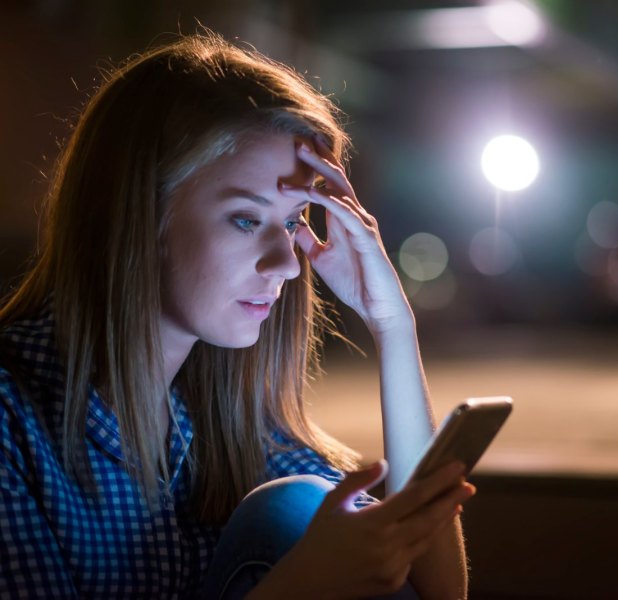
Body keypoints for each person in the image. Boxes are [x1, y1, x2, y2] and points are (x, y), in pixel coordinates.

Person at [0, 31, 474, 599]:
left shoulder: (218, 417)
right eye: (246, 220)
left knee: (294, 506)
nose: (288, 265)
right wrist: (301, 587)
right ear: (139, 215)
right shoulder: (13, 420)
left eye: (296, 220)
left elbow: (439, 591)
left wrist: (392, 326)